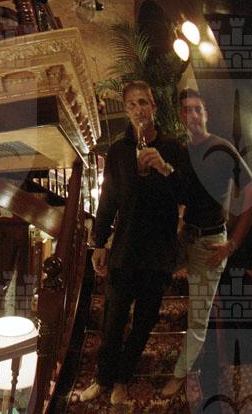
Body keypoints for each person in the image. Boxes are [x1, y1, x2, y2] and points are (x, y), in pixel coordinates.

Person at [80, 80, 185, 405]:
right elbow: (109, 199)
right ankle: (103, 378)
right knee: (112, 321)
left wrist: (164, 169)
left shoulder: (173, 148)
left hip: (159, 253)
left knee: (143, 324)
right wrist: (99, 242)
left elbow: (187, 194)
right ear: (126, 110)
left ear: (154, 107)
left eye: (143, 102)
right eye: (131, 104)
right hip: (125, 250)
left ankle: (122, 379)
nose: (138, 109)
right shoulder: (118, 151)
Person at [161, 88, 252, 396]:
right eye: (187, 110)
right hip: (185, 238)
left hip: (212, 243)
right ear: (181, 116)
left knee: (198, 318)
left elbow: (250, 193)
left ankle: (180, 373)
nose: (193, 115)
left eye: (198, 109)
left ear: (206, 114)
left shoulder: (222, 148)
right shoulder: (182, 152)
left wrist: (232, 245)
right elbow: (181, 196)